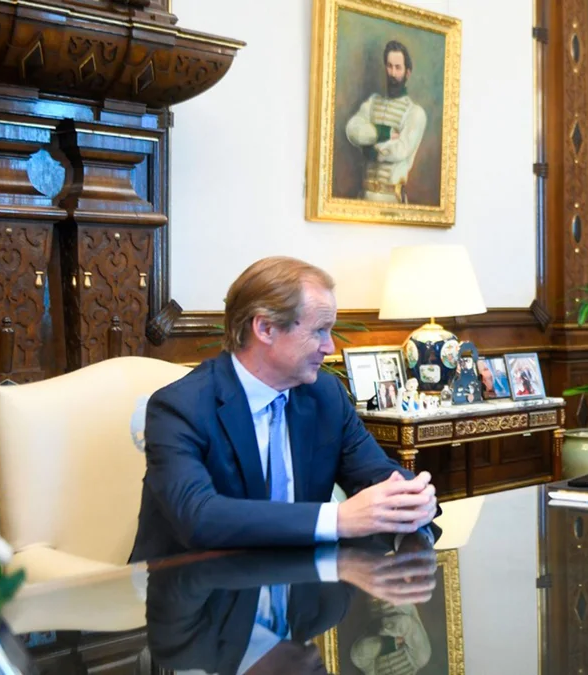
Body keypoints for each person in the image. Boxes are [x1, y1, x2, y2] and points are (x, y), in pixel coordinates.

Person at [131, 257, 438, 562]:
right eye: (319, 331)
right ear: (265, 328)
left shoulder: (325, 395)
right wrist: (337, 519)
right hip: (194, 582)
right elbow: (198, 516)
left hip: (301, 581)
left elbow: (375, 472)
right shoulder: (179, 407)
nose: (330, 347)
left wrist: (412, 498)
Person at [147, 537, 439, 675]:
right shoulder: (328, 611)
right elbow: (374, 540)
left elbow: (188, 574)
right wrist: (413, 539)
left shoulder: (183, 647)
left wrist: (334, 563)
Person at [345, 40, 428, 204]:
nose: (393, 73)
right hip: (363, 198)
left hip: (391, 200)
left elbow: (401, 149)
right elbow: (352, 130)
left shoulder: (415, 113)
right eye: (389, 66)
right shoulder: (372, 103)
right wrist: (383, 133)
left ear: (407, 73)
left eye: (398, 68)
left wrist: (371, 151)